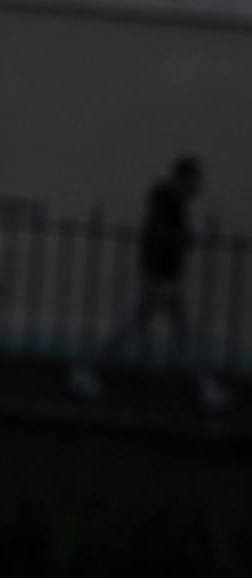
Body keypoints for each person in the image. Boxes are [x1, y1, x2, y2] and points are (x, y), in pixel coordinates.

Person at [70, 155, 233, 413]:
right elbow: (159, 240)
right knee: (149, 329)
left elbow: (171, 239)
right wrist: (163, 276)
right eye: (194, 180)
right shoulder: (166, 202)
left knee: (175, 333)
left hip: (163, 279)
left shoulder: (170, 201)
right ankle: (85, 369)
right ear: (183, 178)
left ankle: (207, 385)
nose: (197, 186)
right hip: (161, 280)